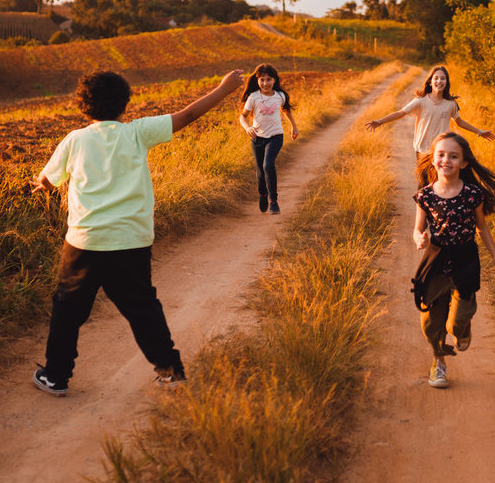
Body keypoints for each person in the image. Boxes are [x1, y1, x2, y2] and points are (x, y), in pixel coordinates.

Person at [30, 68, 246, 396]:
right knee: (142, 308)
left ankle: (56, 376)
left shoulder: (74, 140)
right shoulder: (138, 132)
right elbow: (188, 114)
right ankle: (171, 373)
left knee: (67, 309)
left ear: (83, 106)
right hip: (130, 241)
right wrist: (224, 89)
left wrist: (44, 185)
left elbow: (49, 179)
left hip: (84, 243)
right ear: (125, 105)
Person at [411, 131, 495, 389]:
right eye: (441, 154)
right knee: (431, 319)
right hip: (435, 258)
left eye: (453, 156)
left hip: (465, 257)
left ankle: (461, 330)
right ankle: (439, 363)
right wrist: (419, 238)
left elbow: (482, 228)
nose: (446, 160)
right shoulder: (425, 195)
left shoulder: (472, 194)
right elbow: (418, 228)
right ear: (432, 159)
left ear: (464, 163)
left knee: (457, 318)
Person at [364, 65, 494, 163]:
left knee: (438, 185)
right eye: (436, 78)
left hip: (441, 150)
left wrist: (479, 132)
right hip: (422, 149)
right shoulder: (421, 101)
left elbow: (459, 122)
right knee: (423, 185)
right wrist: (380, 122)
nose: (439, 81)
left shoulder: (450, 104)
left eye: (443, 78)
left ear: (446, 83)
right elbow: (400, 113)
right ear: (430, 82)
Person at [238, 63, 299, 215]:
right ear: (258, 81)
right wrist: (248, 128)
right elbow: (243, 117)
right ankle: (262, 194)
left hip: (275, 136)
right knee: (259, 171)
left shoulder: (280, 96)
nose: (265, 83)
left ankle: (273, 200)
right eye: (262, 80)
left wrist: (294, 127)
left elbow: (287, 111)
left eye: (269, 79)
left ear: (274, 80)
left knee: (268, 165)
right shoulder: (253, 97)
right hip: (257, 138)